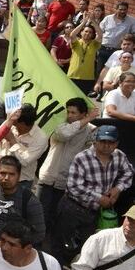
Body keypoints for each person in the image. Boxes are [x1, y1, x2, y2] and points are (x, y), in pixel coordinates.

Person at [51, 125, 134, 265]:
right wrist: (99, 197)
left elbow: (128, 172)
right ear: (95, 141)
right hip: (73, 208)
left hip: (96, 212)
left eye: (111, 142)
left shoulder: (119, 156)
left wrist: (117, 189)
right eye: (103, 141)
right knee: (62, 245)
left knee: (88, 246)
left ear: (116, 143)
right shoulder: (82, 158)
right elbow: (73, 186)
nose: (106, 146)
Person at [36, 98, 98, 234]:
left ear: (83, 113)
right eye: (68, 112)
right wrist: (86, 120)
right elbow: (64, 134)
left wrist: (88, 124)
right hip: (48, 176)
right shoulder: (60, 125)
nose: (69, 115)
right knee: (39, 214)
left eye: (74, 113)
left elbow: (90, 154)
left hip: (67, 180)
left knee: (56, 215)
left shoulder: (91, 130)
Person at [0, 156, 46, 258]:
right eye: (3, 173)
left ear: (19, 176)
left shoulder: (30, 201)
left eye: (11, 174)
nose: (6, 178)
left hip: (11, 253)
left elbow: (39, 234)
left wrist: (12, 244)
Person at [0, 104, 48, 187]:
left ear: (23, 123)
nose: (11, 122)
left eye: (14, 121)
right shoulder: (10, 124)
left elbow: (24, 161)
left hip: (21, 182)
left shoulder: (41, 138)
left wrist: (12, 141)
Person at [97, 1, 135, 76]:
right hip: (103, 49)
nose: (123, 11)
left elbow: (134, 35)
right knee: (99, 71)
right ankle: (97, 86)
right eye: (120, 9)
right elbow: (100, 31)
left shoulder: (132, 21)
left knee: (113, 72)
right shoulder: (108, 18)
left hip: (118, 52)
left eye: (125, 9)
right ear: (116, 9)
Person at [67, 17, 103, 93]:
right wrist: (83, 23)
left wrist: (93, 21)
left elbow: (100, 35)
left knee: (82, 101)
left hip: (87, 77)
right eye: (86, 31)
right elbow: (72, 35)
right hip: (73, 75)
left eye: (90, 32)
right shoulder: (77, 42)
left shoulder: (94, 44)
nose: (88, 33)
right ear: (81, 32)